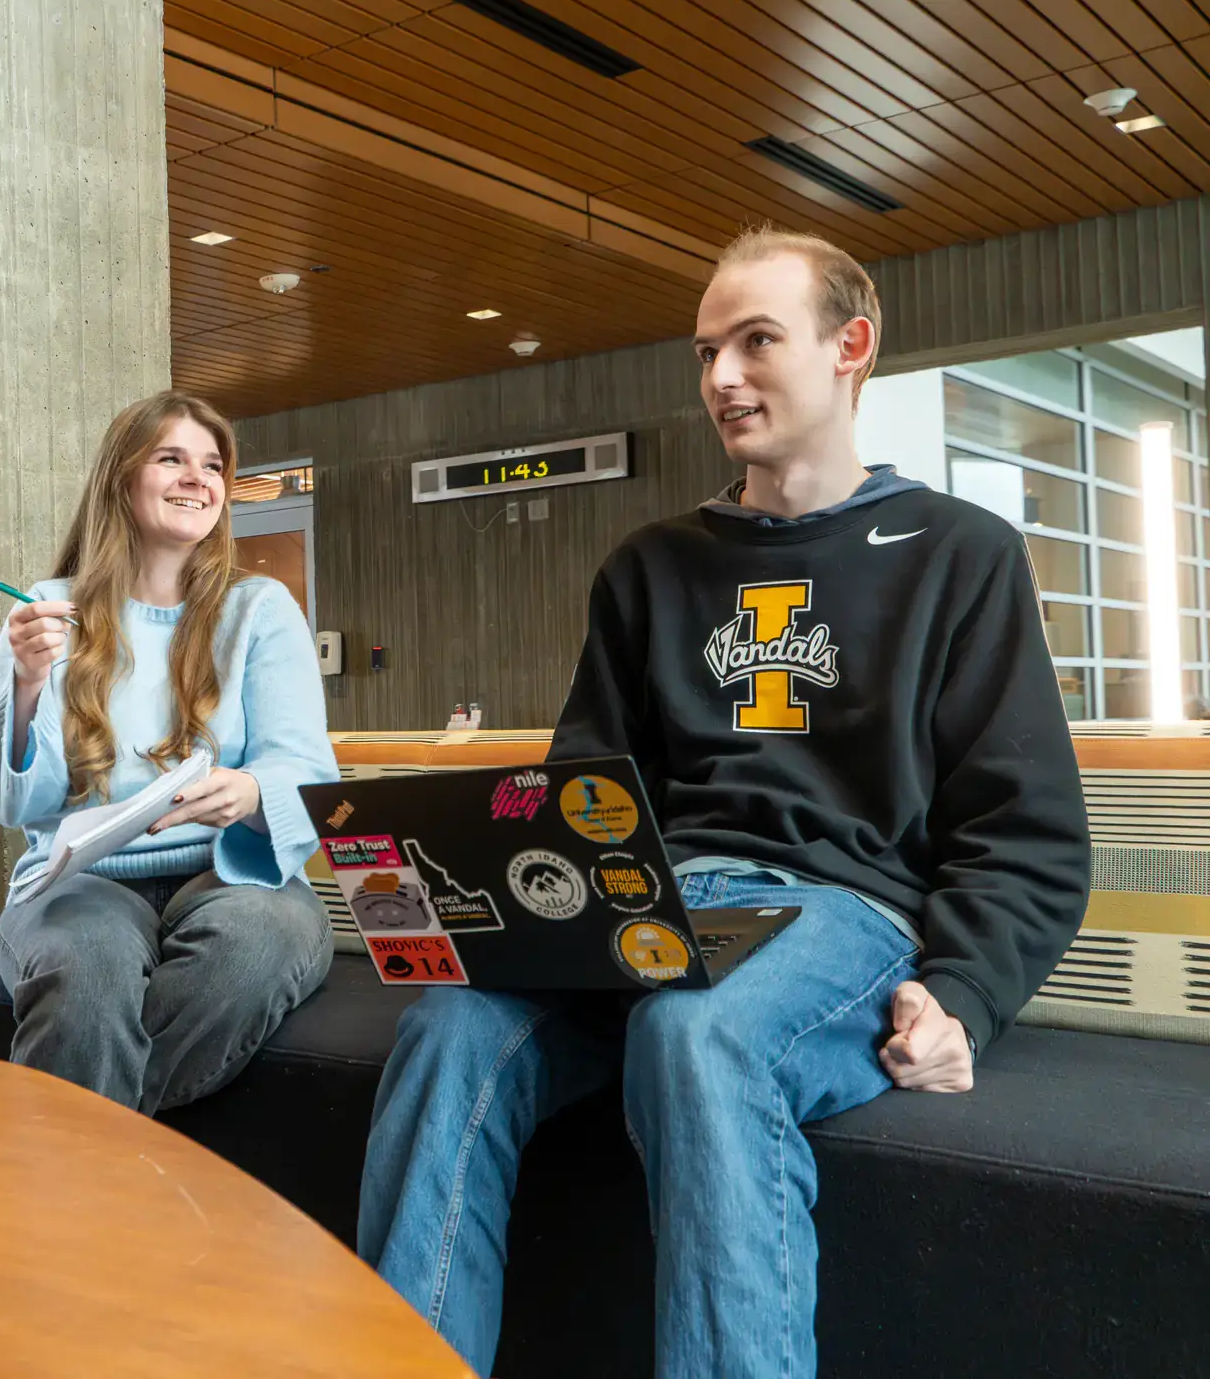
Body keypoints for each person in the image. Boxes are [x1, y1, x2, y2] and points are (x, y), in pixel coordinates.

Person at [356, 227, 1092, 1378]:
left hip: (838, 914)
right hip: (653, 909)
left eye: (755, 342)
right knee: (449, 1030)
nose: (721, 379)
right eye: (706, 352)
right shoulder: (649, 568)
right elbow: (588, 793)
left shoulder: (962, 554)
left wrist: (964, 996)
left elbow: (1023, 829)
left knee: (700, 1032)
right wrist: (510, 898)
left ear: (852, 347)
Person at [0, 390, 339, 1114]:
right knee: (86, 973)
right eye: (171, 458)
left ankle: (80, 1162)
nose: (198, 477)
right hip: (82, 881)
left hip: (228, 870)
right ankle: (110, 1181)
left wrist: (251, 793)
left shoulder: (260, 610)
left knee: (253, 951)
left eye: (211, 464)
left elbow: (305, 771)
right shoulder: (47, 610)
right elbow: (13, 803)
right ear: (121, 478)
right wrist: (29, 683)